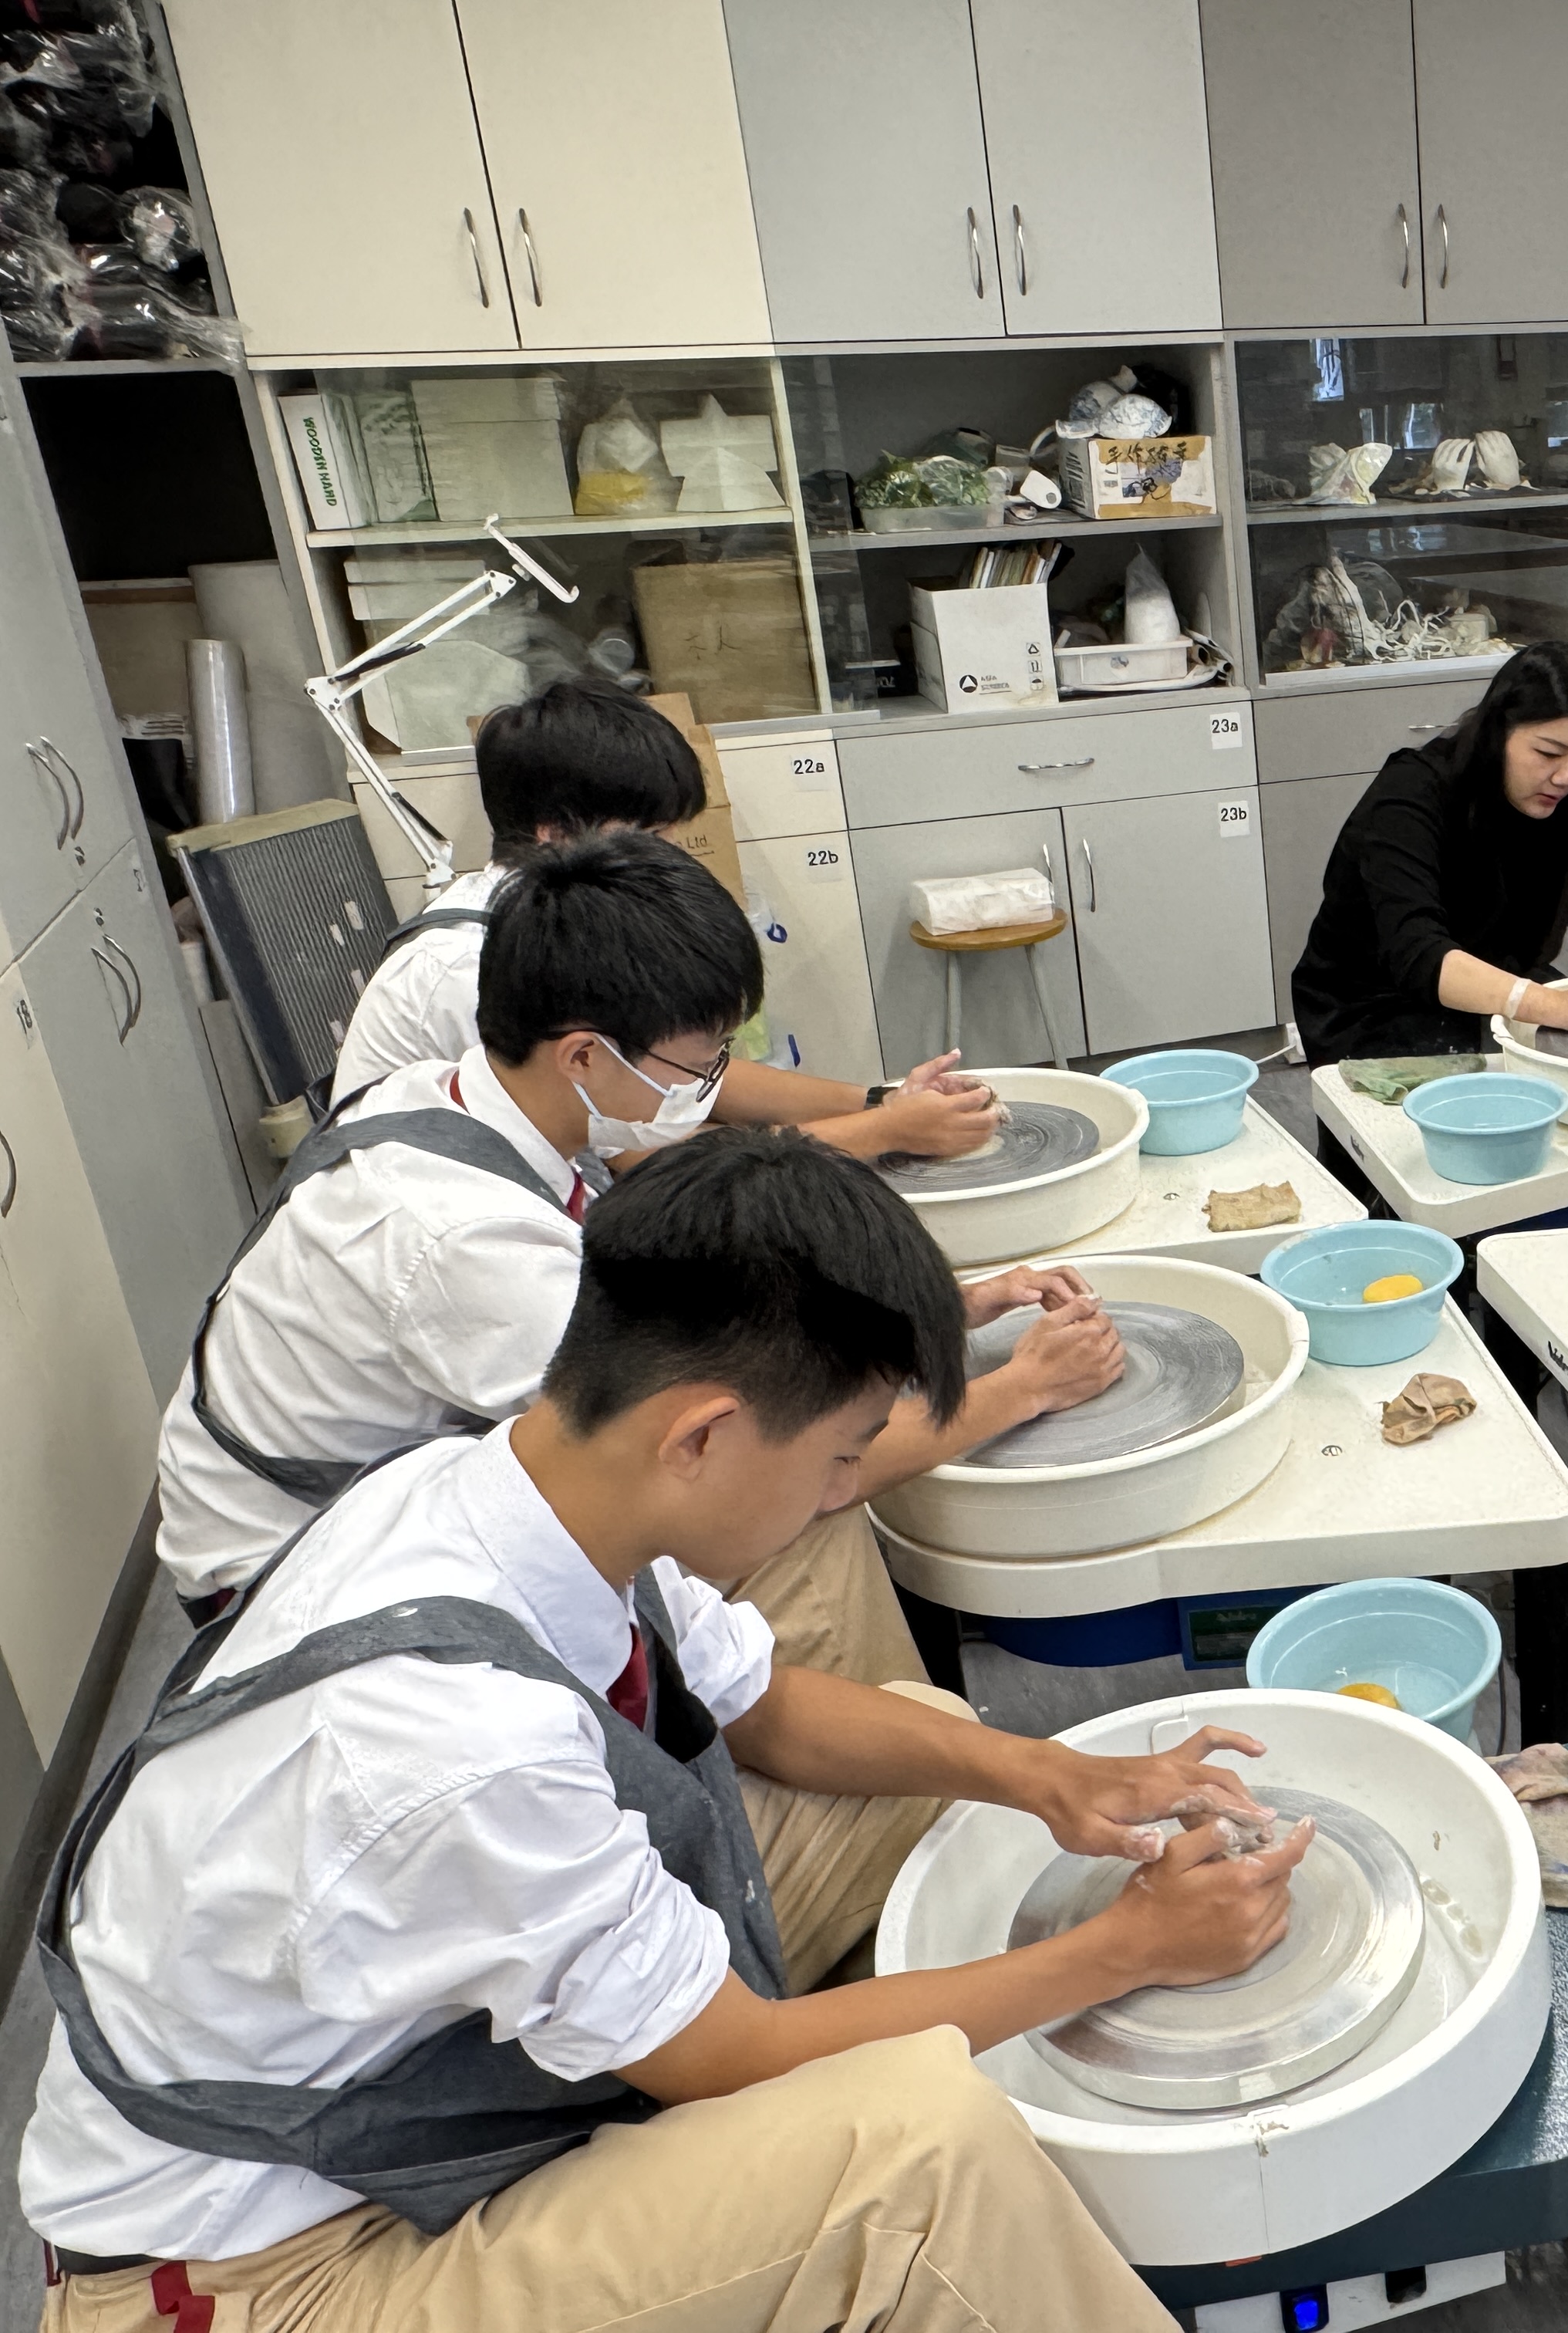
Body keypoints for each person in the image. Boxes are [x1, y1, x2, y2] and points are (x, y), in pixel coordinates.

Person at [28, 1128, 1312, 2332]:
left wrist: (1051, 1773)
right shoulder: (461, 1743)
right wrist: (1122, 1950)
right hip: (266, 2266)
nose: (843, 1488)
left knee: (929, 1741)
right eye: (841, 1456)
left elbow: (769, 1706)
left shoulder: (519, 1485)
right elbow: (729, 2057)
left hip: (414, 2077)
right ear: (701, 1433)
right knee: (918, 2147)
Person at [156, 833, 1124, 1653]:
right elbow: (744, 1464)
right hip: (288, 1575)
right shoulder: (468, 1246)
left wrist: (930, 1315)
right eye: (697, 1064)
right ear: (583, 1053)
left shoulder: (472, 1098)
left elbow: (678, 1309)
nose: (710, 1087)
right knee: (805, 1530)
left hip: (410, 1465)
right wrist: (1025, 1389)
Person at [329, 673, 994, 1163]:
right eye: (649, 838)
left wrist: (877, 1099)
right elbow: (646, 1163)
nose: (670, 860)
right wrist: (885, 1133)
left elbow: (685, 1070)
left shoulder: (559, 918)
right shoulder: (471, 968)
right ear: (554, 835)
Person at [1290, 641, 1568, 1065]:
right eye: (1548, 753)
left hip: (1499, 979)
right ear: (1499, 732)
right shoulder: (1410, 794)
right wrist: (1552, 1004)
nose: (1566, 777)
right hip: (1375, 1003)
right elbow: (1417, 951)